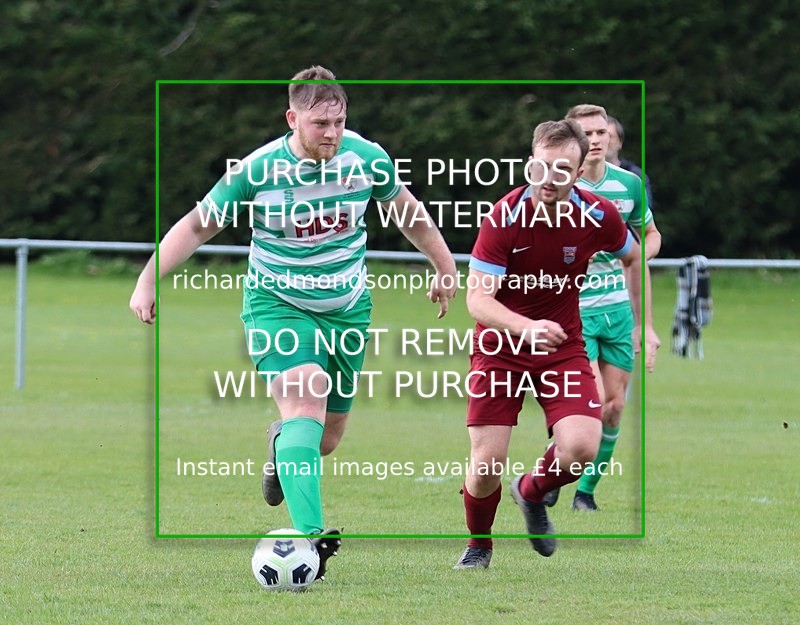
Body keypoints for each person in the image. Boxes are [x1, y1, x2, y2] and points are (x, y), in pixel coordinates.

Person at [130, 66, 458, 580]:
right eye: (320, 122)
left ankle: (282, 441)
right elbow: (197, 227)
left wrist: (444, 265)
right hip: (276, 303)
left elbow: (408, 213)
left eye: (339, 121)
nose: (331, 132)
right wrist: (147, 279)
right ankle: (313, 542)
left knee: (324, 438)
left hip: (348, 308)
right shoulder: (258, 170)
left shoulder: (366, 158)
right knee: (307, 396)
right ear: (293, 118)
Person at [453, 119, 659, 569]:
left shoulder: (599, 214)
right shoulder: (503, 218)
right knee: (487, 464)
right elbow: (477, 299)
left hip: (561, 345)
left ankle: (530, 491)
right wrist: (524, 327)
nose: (549, 179)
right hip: (499, 348)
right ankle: (479, 545)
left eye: (562, 169)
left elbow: (633, 256)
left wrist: (643, 324)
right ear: (530, 164)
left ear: (580, 168)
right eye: (541, 167)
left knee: (583, 447)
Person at [544, 104, 660, 512]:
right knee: (589, 402)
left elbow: (649, 235)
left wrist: (635, 258)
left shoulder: (628, 185)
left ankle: (585, 493)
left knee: (614, 407)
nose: (595, 140)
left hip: (618, 311)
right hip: (573, 312)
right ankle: (554, 466)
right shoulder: (553, 186)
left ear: (611, 138)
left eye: (601, 133)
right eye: (587, 134)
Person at [606, 115, 654, 208]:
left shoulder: (635, 176)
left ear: (620, 142)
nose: (604, 141)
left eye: (610, 136)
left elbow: (644, 214)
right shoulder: (578, 175)